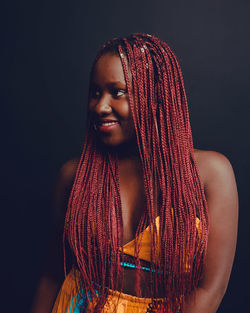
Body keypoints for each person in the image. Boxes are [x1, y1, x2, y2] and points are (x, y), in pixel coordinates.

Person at [30, 33, 238, 313]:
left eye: (117, 92)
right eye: (95, 92)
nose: (100, 106)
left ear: (155, 96)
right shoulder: (73, 176)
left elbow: (210, 289)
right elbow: (51, 275)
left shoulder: (210, 174)